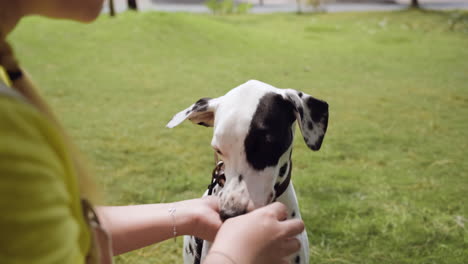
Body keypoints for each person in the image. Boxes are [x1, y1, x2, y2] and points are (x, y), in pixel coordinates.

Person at [0, 1, 305, 263]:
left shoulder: (10, 83)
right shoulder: (9, 127)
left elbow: (67, 226)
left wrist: (190, 215)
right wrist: (234, 253)